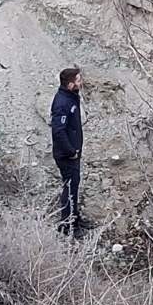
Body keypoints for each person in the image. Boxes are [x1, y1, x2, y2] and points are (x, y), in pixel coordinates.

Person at [50, 67, 87, 237]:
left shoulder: (71, 97)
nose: (81, 82)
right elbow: (58, 131)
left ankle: (75, 218)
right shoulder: (62, 102)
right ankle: (67, 225)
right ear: (71, 84)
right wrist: (71, 151)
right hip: (67, 155)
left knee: (73, 186)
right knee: (70, 189)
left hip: (73, 153)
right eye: (78, 80)